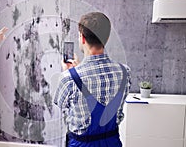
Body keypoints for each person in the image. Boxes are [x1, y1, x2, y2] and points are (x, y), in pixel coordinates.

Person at [54, 12, 131, 147]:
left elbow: (62, 106)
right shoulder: (125, 72)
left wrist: (71, 73)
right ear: (106, 38)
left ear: (82, 38)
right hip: (112, 142)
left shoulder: (68, 78)